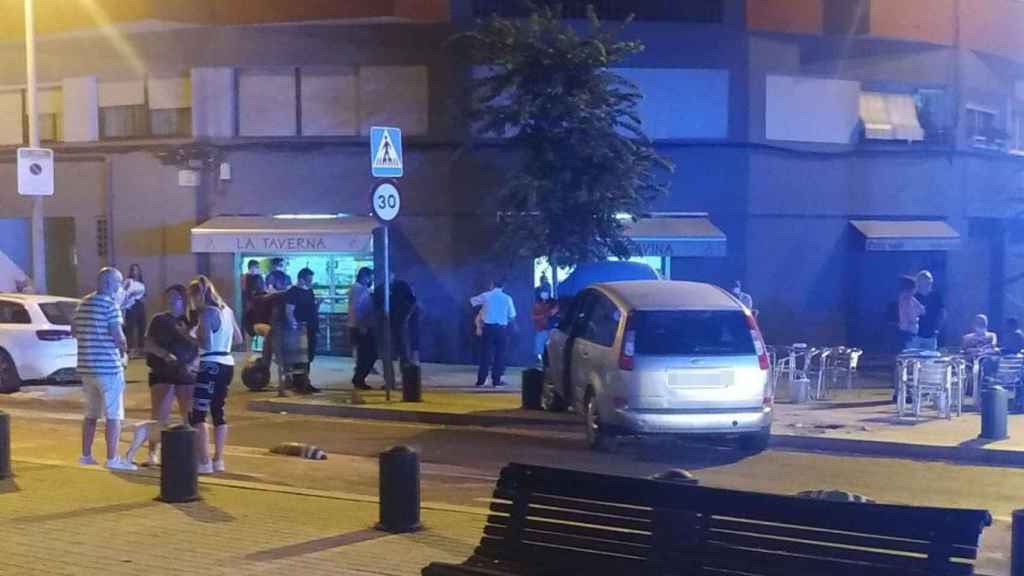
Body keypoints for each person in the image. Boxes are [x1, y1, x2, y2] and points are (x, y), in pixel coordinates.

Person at [125, 285, 198, 466]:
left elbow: (200, 346)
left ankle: (191, 453)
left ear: (184, 300)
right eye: (169, 297)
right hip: (162, 371)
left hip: (185, 371)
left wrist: (192, 363)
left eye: (176, 297)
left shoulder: (192, 320)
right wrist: (165, 355)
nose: (172, 301)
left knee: (188, 414)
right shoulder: (159, 319)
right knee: (159, 416)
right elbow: (148, 343)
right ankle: (152, 454)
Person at [72, 267, 137, 471]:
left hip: (86, 367)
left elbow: (74, 330)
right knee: (113, 414)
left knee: (91, 414)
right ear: (111, 284)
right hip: (108, 368)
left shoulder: (83, 304)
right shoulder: (110, 305)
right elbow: (119, 337)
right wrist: (124, 349)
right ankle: (112, 458)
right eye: (118, 284)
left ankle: (86, 455)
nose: (119, 288)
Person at [184, 276, 242, 475]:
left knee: (198, 414)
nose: (192, 303)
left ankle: (204, 460)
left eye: (192, 298)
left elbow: (206, 343)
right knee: (219, 411)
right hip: (227, 363)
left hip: (210, 363)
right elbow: (239, 338)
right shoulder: (227, 311)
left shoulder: (207, 313)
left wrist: (191, 335)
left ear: (199, 295)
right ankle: (219, 459)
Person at [470, 279, 517, 387]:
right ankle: (496, 380)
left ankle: (481, 380)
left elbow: (472, 301)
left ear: (492, 285)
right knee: (500, 355)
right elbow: (512, 315)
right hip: (501, 329)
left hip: (488, 328)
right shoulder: (507, 298)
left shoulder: (486, 295)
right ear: (504, 286)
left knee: (485, 354)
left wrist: (485, 310)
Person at [285, 267, 321, 393]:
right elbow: (289, 311)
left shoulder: (309, 291)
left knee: (308, 357)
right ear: (301, 279)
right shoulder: (293, 292)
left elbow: (312, 308)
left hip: (311, 327)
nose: (310, 282)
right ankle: (299, 383)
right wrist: (295, 326)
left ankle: (305, 381)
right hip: (301, 329)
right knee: (300, 358)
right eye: (308, 280)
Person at [349, 267, 376, 390]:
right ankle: (359, 379)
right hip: (360, 326)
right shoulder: (358, 289)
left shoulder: (362, 289)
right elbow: (357, 308)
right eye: (370, 276)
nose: (371, 279)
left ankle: (359, 378)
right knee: (367, 354)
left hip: (362, 325)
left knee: (367, 354)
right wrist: (362, 325)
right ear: (364, 277)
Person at [913, 270, 944, 351]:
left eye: (928, 280)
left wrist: (937, 329)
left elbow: (942, 313)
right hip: (916, 336)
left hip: (931, 335)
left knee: (930, 361)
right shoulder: (913, 297)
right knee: (915, 359)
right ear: (918, 281)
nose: (926, 282)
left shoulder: (936, 296)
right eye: (923, 279)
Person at [122, 263, 146, 358]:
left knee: (142, 327)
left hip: (140, 305)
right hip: (131, 306)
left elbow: (144, 295)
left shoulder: (141, 283)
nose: (134, 272)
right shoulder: (128, 281)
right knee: (130, 328)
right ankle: (130, 350)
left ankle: (141, 349)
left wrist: (143, 299)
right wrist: (130, 296)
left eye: (136, 270)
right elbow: (123, 293)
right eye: (133, 270)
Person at [531, 287, 558, 366]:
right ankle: (541, 362)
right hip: (541, 328)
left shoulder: (554, 302)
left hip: (551, 329)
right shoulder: (536, 303)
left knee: (552, 347)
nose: (545, 294)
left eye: (546, 292)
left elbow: (555, 312)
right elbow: (533, 317)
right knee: (539, 346)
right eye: (543, 292)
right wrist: (545, 315)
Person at [897, 275, 925, 351]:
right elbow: (912, 317)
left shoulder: (911, 299)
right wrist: (916, 319)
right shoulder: (906, 300)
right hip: (907, 333)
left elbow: (922, 310)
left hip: (909, 332)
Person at [241, 259, 265, 338]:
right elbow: (244, 290)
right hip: (248, 306)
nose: (258, 269)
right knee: (248, 326)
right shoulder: (245, 277)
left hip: (257, 306)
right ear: (251, 267)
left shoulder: (259, 277)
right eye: (256, 267)